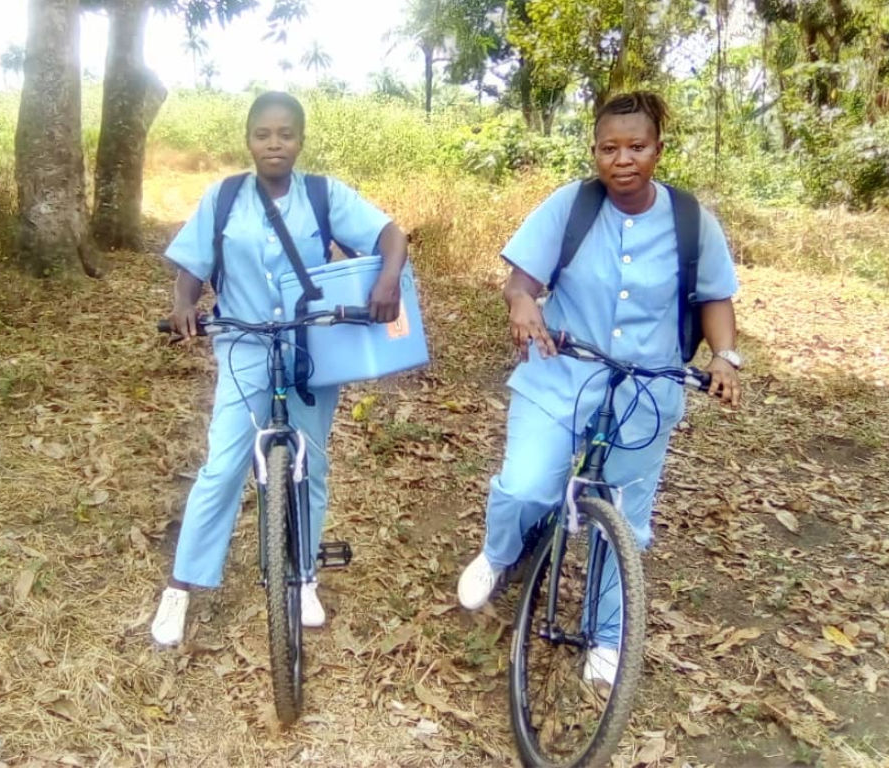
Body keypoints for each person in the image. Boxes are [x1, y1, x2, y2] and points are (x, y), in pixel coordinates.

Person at [456, 91, 741, 684]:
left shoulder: (691, 221)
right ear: (595, 152)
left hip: (646, 390)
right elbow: (521, 282)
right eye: (609, 148)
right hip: (560, 371)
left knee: (623, 520)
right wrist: (523, 305)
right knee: (525, 486)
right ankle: (499, 553)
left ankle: (606, 635)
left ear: (658, 150)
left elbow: (715, 297)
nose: (623, 159)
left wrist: (725, 357)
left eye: (636, 146)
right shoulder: (572, 206)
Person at [151, 91, 408, 646]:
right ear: (248, 140)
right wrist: (183, 304)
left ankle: (304, 573)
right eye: (263, 134)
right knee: (223, 466)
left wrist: (388, 279)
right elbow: (192, 267)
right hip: (243, 345)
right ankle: (180, 587)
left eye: (285, 134)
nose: (274, 144)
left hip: (314, 347)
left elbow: (390, 235)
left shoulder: (323, 195)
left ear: (300, 140)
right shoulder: (223, 198)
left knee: (309, 463)